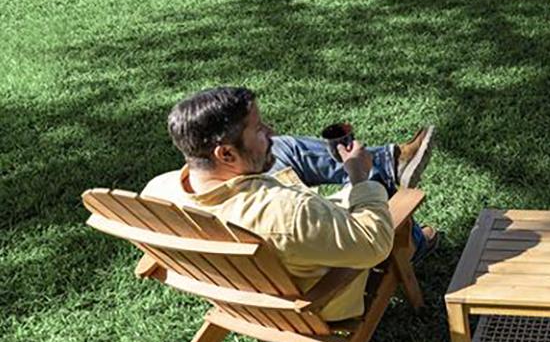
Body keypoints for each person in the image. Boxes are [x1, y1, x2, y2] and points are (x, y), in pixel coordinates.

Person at [142, 86, 437, 322]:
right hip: (315, 302)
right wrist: (360, 179)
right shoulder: (289, 212)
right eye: (258, 129)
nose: (270, 130)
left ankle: (390, 166)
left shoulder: (157, 193)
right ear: (226, 155)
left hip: (246, 294)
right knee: (375, 182)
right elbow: (374, 245)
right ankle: (412, 241)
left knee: (283, 147)